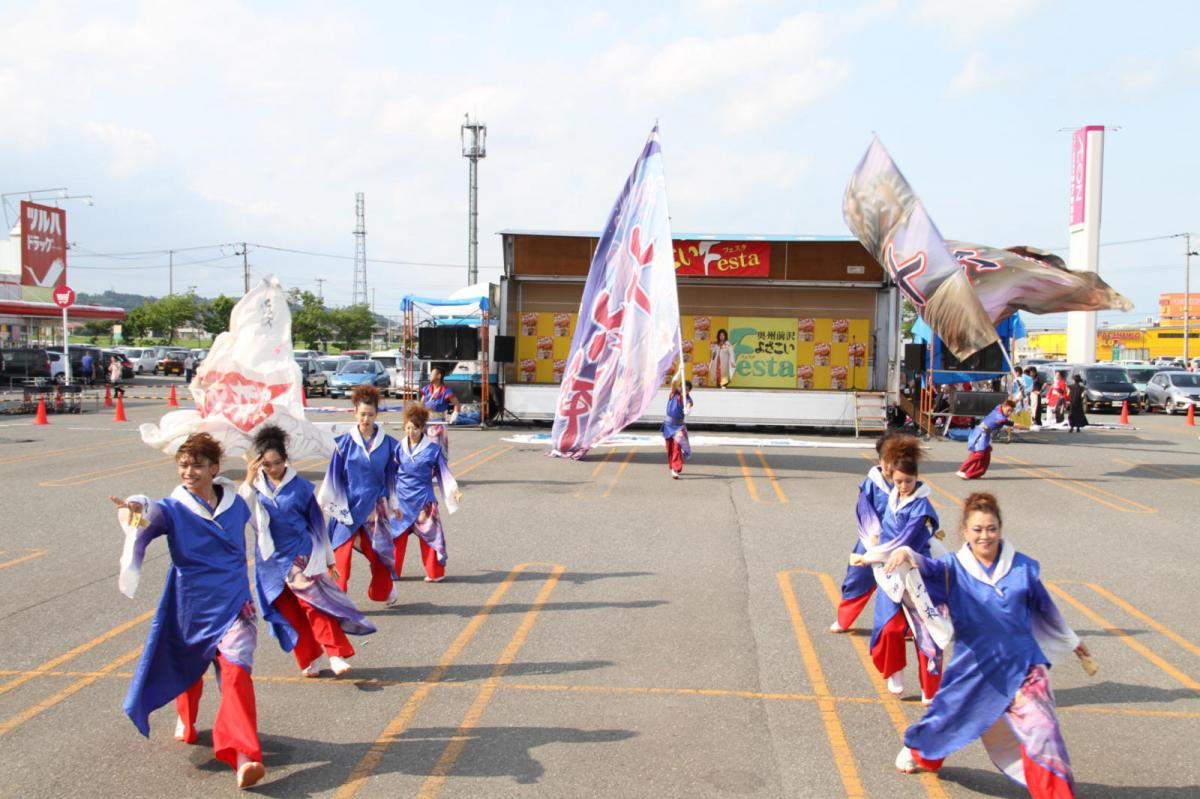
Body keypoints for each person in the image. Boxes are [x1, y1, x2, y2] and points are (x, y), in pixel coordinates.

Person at [883, 492, 1089, 797]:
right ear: (965, 531)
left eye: (991, 528)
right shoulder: (953, 568)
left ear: (1000, 529)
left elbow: (1044, 607)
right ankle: (923, 752)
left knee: (1044, 732)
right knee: (948, 717)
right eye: (977, 529)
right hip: (976, 664)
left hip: (1024, 667)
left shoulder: (1023, 568)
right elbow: (926, 570)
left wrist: (1070, 639)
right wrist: (906, 554)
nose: (985, 536)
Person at [108, 433, 266, 789]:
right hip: (191, 607)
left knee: (237, 673)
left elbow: (246, 499)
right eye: (183, 465)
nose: (188, 471)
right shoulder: (172, 508)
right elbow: (148, 512)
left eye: (196, 465)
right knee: (189, 668)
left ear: (214, 468)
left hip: (235, 605)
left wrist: (252, 479)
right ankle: (187, 717)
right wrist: (134, 509)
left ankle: (244, 756)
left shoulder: (235, 504)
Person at [243, 425, 376, 679]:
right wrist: (249, 480)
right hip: (270, 562)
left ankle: (335, 653)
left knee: (315, 606)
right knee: (290, 612)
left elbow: (317, 525)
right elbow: (240, 512)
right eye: (267, 464)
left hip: (300, 556)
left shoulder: (302, 488)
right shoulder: (255, 489)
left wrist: (327, 559)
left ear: (286, 460)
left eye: (278, 462)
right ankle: (310, 657)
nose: (273, 469)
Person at [861, 436, 943, 702]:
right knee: (889, 628)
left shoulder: (921, 505)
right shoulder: (893, 495)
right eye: (898, 481)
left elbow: (905, 539)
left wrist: (871, 555)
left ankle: (929, 689)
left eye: (908, 481)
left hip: (915, 569)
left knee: (926, 630)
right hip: (889, 569)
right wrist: (874, 541)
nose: (904, 486)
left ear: (917, 477)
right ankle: (895, 672)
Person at [317, 384, 402, 605]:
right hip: (348, 507)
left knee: (380, 556)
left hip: (376, 507)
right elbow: (332, 476)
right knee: (340, 556)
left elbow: (391, 477)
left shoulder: (389, 444)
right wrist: (321, 502)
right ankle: (337, 604)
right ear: (355, 411)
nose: (366, 419)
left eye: (370, 415)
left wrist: (395, 503)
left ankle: (383, 590)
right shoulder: (343, 444)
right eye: (362, 414)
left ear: (377, 415)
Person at [387, 403, 461, 584]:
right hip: (402, 499)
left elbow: (443, 472)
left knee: (430, 536)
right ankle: (391, 571)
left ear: (422, 429)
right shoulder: (399, 448)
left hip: (424, 500)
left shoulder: (433, 450)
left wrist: (454, 491)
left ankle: (435, 572)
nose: (411, 432)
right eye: (409, 428)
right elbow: (390, 472)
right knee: (396, 536)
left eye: (416, 428)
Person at [830, 431, 895, 633]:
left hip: (900, 542)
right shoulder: (871, 484)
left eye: (897, 460)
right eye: (887, 460)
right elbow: (864, 511)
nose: (891, 466)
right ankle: (844, 619)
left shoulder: (909, 483)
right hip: (871, 541)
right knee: (857, 578)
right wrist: (873, 535)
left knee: (903, 587)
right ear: (880, 459)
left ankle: (907, 627)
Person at [956, 399, 1016, 480]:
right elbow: (1013, 424)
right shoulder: (1000, 417)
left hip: (986, 434)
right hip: (980, 434)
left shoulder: (998, 407)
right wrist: (1030, 427)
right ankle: (962, 470)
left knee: (986, 457)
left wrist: (1017, 398)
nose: (1009, 413)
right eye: (1008, 410)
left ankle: (971, 474)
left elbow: (1010, 402)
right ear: (1004, 406)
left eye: (1011, 411)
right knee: (978, 454)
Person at [420, 367, 460, 457]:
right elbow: (421, 405)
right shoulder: (426, 389)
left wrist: (455, 414)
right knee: (424, 447)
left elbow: (457, 404)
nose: (430, 376)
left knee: (436, 447)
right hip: (426, 422)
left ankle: (439, 468)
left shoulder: (445, 390)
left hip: (438, 423)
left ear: (439, 376)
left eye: (432, 374)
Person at [661, 379, 694, 478]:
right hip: (668, 425)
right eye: (683, 388)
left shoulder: (687, 399)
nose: (684, 390)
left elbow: (689, 404)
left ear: (689, 391)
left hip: (679, 427)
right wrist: (679, 371)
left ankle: (675, 469)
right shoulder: (673, 394)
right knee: (670, 447)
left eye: (687, 389)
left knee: (677, 446)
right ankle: (675, 465)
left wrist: (687, 409)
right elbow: (673, 383)